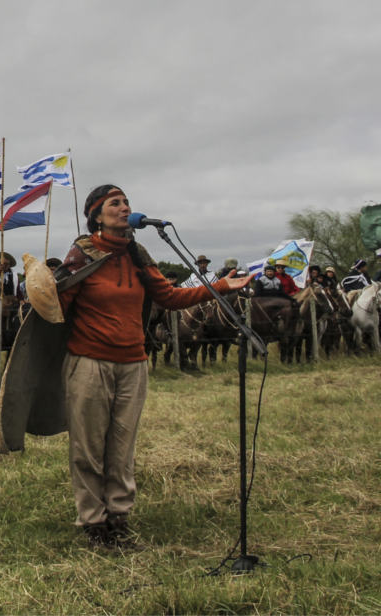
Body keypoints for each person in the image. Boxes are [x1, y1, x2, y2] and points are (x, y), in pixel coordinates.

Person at [55, 184, 249, 549]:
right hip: (89, 362)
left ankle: (118, 518)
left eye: (126, 201)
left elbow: (171, 298)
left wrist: (221, 285)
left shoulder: (138, 254)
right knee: (88, 447)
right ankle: (93, 523)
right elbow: (58, 304)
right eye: (115, 203)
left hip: (133, 364)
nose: (125, 207)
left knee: (122, 447)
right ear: (97, 215)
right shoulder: (81, 255)